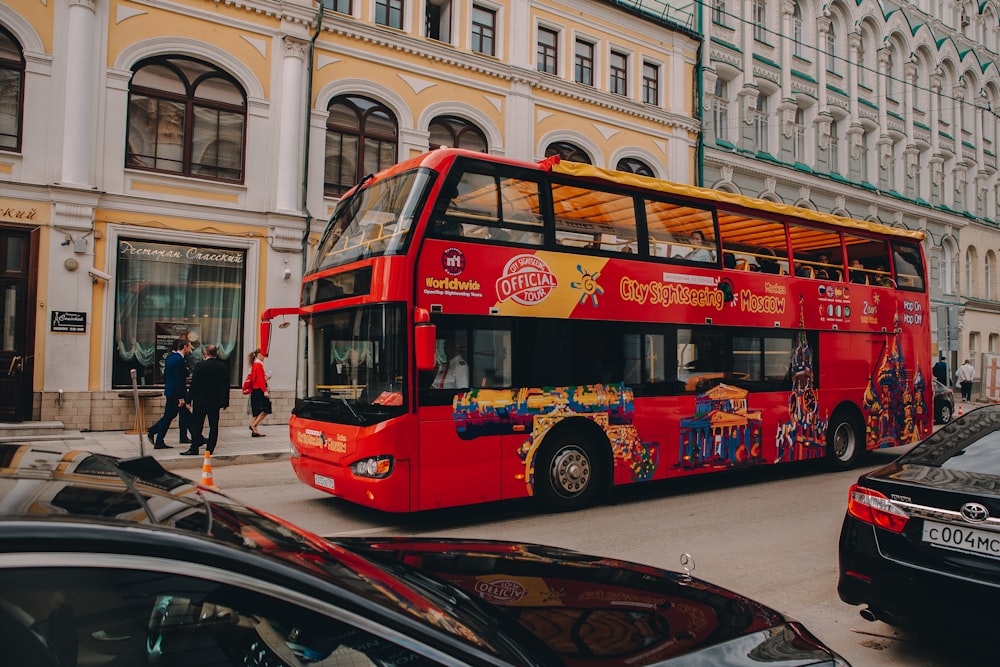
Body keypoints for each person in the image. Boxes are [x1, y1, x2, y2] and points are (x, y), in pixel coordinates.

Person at [180, 344, 230, 456]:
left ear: (205, 353)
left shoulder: (200, 366)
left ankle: (194, 448)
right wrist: (226, 401)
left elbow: (194, 384)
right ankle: (210, 449)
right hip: (215, 402)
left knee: (197, 424)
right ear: (216, 354)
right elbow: (226, 385)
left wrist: (188, 400)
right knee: (214, 426)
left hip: (200, 401)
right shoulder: (223, 367)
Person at [147, 337, 192, 450]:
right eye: (189, 346)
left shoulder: (170, 357)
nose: (190, 349)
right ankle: (158, 440)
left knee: (171, 415)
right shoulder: (179, 360)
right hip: (176, 393)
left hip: (170, 391)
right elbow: (178, 379)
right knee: (170, 416)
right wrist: (181, 398)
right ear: (185, 347)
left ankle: (154, 433)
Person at [247, 349, 271, 437]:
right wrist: (265, 391)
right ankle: (253, 425)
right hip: (259, 389)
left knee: (256, 410)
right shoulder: (259, 365)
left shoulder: (255, 365)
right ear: (257, 355)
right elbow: (260, 380)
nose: (264, 356)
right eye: (262, 354)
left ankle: (254, 430)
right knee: (266, 409)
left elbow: (257, 379)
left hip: (255, 389)